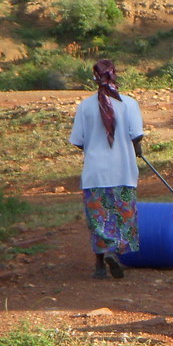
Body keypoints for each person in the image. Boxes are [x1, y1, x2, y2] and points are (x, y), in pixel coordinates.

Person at [69, 59, 144, 280]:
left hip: (95, 172)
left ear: (95, 78)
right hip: (123, 170)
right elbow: (136, 137)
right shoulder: (129, 104)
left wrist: (94, 146)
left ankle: (100, 266)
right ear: (115, 76)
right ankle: (115, 252)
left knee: (99, 219)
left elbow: (78, 140)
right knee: (123, 216)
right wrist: (137, 150)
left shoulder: (85, 106)